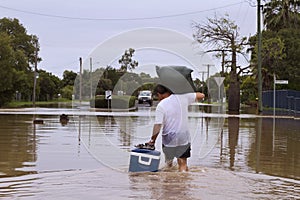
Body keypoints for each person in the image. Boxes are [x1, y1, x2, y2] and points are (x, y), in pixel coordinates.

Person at [147, 84, 205, 172]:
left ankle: (170, 182)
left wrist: (152, 140)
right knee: (183, 163)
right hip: (183, 136)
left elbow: (158, 125)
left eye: (157, 96)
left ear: (159, 94)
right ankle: (183, 179)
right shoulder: (183, 97)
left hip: (169, 138)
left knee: (168, 164)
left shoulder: (161, 105)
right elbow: (202, 95)